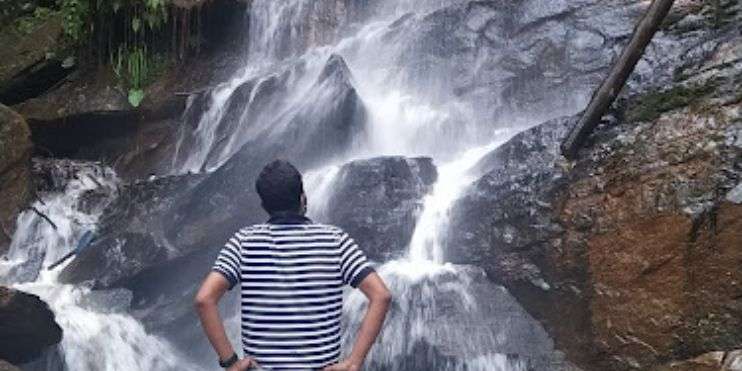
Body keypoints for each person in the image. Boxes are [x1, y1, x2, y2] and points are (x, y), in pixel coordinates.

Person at [195, 159, 392, 371]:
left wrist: (231, 363)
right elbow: (381, 295)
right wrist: (354, 362)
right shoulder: (336, 240)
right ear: (303, 198)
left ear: (264, 205)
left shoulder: (243, 242)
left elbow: (204, 300)